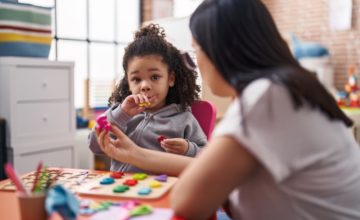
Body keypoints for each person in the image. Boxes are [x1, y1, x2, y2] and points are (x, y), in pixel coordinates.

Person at [96, 0, 360, 219]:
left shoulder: (267, 97)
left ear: (220, 50)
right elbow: (209, 171)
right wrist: (136, 154)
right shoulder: (287, 86)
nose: (195, 63)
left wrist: (139, 155)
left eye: (195, 51)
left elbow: (189, 200)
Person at [89, 24, 207, 173]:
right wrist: (121, 114)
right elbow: (94, 145)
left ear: (170, 79)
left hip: (159, 190)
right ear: (128, 82)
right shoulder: (121, 114)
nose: (145, 85)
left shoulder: (184, 119)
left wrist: (188, 149)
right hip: (121, 187)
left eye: (155, 77)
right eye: (137, 79)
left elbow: (207, 159)